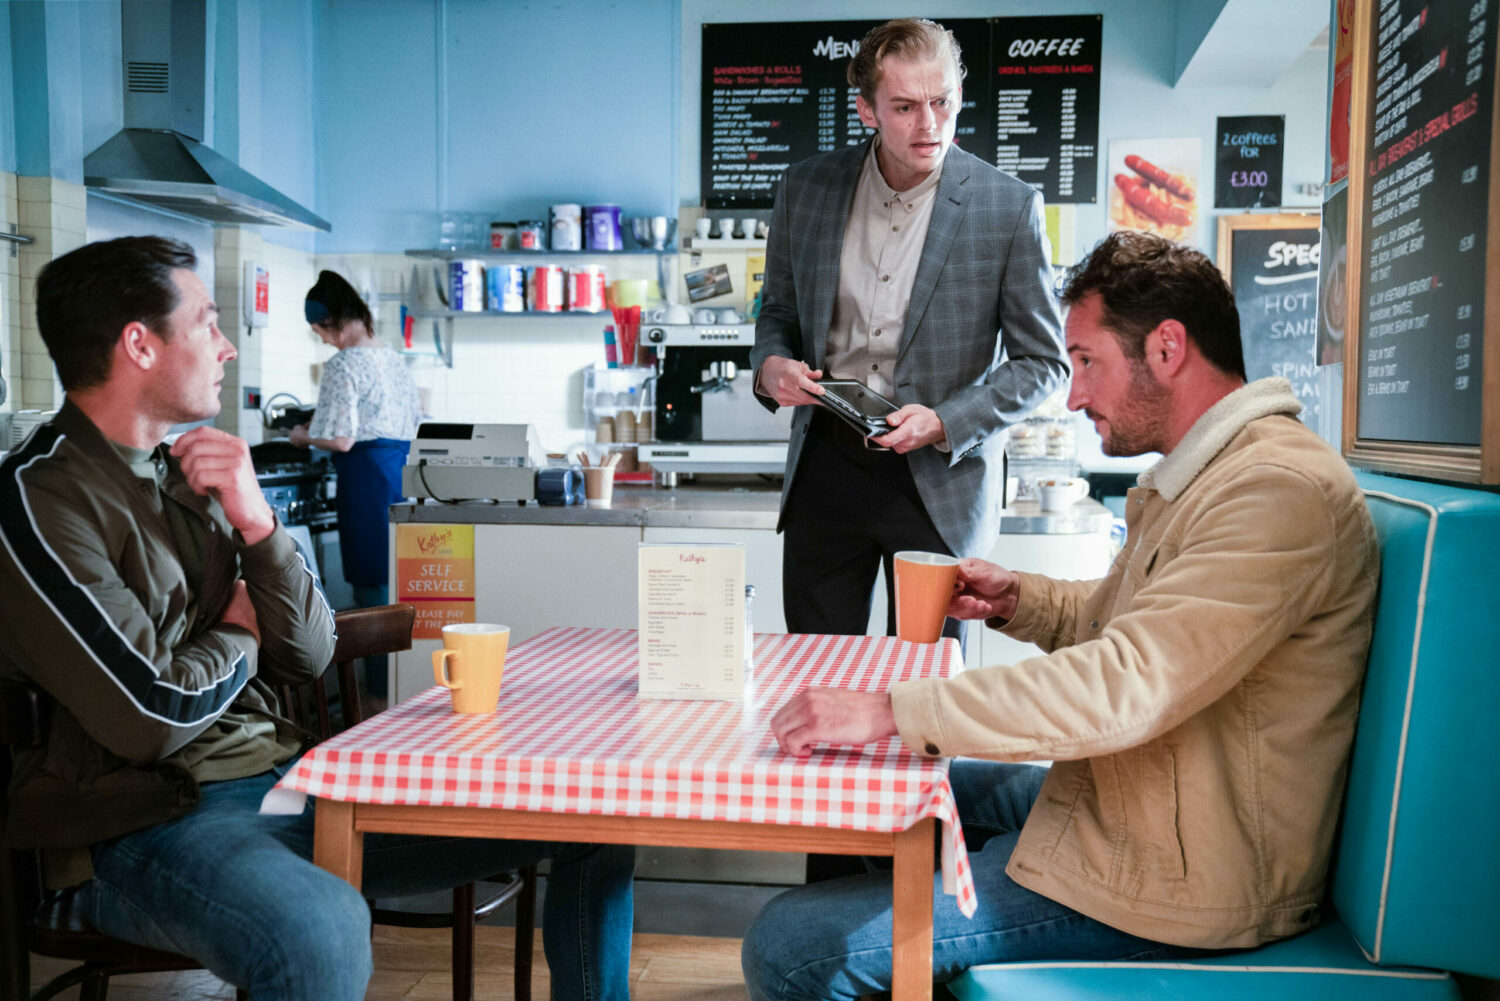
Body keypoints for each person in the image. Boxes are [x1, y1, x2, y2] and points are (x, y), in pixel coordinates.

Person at [741, 231, 1379, 1001]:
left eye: (1085, 362)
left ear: (1168, 348)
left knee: (789, 945)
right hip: (1139, 801)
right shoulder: (1219, 471)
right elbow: (1133, 626)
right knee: (892, 778)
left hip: (1183, 874)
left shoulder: (1275, 492)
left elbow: (1128, 682)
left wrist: (887, 707)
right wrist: (1021, 600)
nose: (1073, 396)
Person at [0, 237, 635, 1001]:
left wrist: (260, 525)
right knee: (321, 928)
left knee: (595, 814)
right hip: (149, 823)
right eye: (206, 322)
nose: (227, 345)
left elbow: (309, 649)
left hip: (289, 779)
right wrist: (238, 631)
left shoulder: (187, 472)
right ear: (139, 343)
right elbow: (148, 715)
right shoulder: (39, 499)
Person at [751, 17, 1068, 643]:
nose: (929, 124)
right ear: (866, 109)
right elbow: (778, 314)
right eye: (904, 106)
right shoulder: (806, 189)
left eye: (942, 101)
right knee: (816, 667)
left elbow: (1044, 363)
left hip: (939, 479)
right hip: (825, 468)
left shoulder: (1007, 207)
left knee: (924, 695)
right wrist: (770, 367)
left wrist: (947, 420)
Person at [289, 269, 422, 709]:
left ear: (334, 322)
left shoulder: (344, 364)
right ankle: (398, 694)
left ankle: (375, 703)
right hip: (400, 476)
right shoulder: (394, 358)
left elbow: (342, 438)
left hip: (365, 479)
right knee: (395, 585)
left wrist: (302, 436)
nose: (324, 342)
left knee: (371, 591)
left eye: (320, 332)